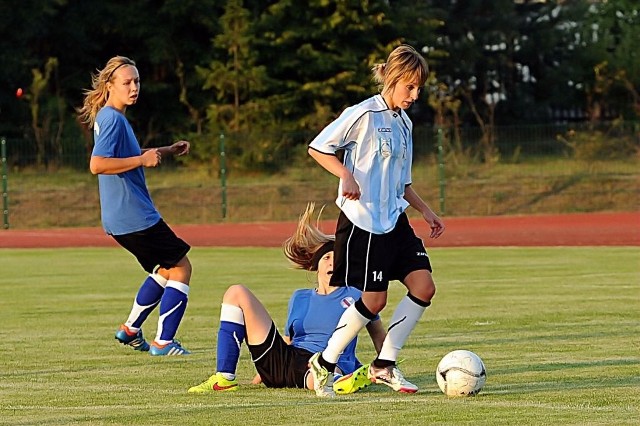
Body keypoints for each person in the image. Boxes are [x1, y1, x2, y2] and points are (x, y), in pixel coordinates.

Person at [306, 44, 445, 396]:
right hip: (363, 221)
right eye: (409, 87)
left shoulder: (405, 124)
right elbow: (318, 147)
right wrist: (346, 176)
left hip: (395, 220)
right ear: (393, 80)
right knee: (375, 300)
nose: (415, 95)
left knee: (424, 287)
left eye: (419, 88)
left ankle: (384, 364)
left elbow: (403, 183)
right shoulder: (363, 114)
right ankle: (324, 363)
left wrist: (426, 211)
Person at [188, 203, 386, 396]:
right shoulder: (299, 297)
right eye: (326, 258)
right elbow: (288, 340)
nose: (332, 262)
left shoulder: (355, 294)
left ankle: (345, 379)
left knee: (319, 378)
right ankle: (224, 378)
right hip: (286, 361)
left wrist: (387, 363)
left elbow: (378, 334)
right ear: (316, 266)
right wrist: (262, 373)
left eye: (337, 258)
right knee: (236, 292)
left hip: (323, 363)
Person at [78, 56, 192, 356]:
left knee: (166, 269)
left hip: (120, 220)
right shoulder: (113, 119)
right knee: (181, 268)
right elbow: (98, 164)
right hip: (135, 216)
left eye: (137, 81)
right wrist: (142, 160)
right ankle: (164, 343)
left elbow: (122, 155)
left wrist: (163, 151)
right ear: (110, 85)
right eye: (127, 82)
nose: (134, 87)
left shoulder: (109, 117)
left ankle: (130, 330)